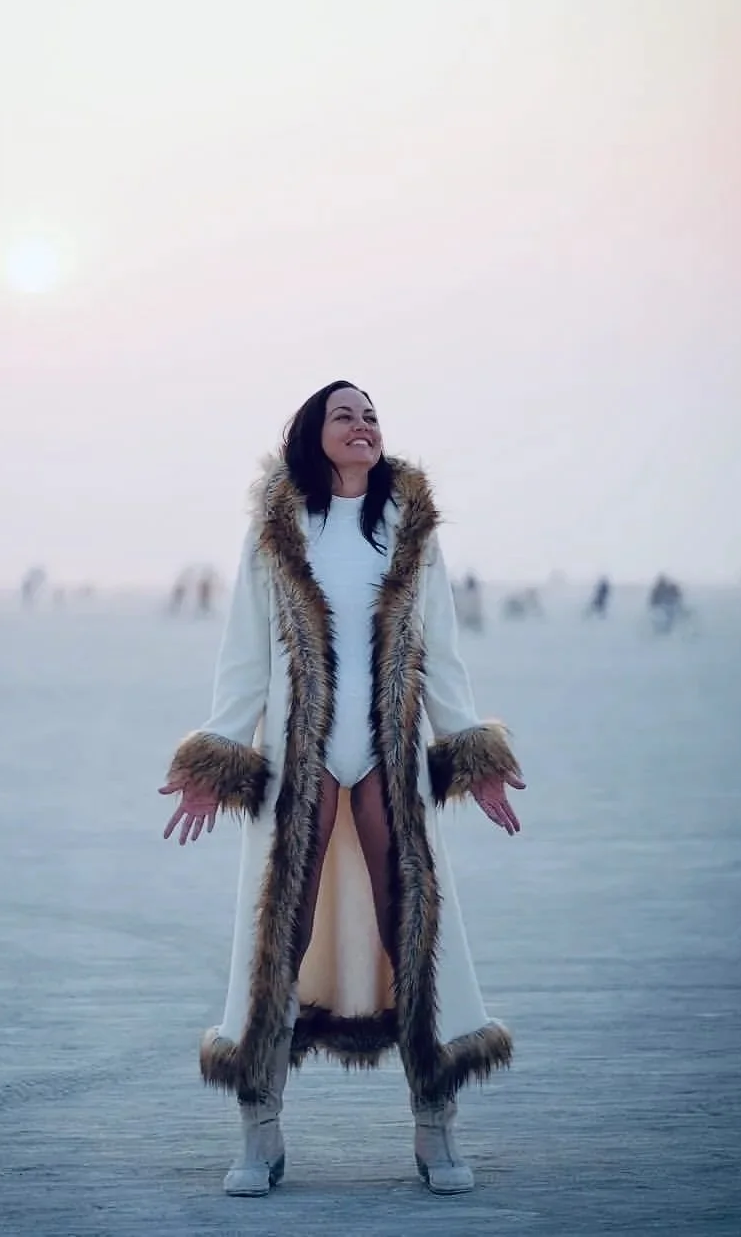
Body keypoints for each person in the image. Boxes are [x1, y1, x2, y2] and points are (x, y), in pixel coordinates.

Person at [159, 380, 526, 1198]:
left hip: (388, 759)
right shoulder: (276, 532)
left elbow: (444, 651)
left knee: (412, 926)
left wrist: (469, 751)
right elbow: (244, 656)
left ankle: (435, 1126)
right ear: (312, 435)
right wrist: (216, 757)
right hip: (301, 760)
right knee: (277, 938)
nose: (362, 425)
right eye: (344, 415)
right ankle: (260, 1128)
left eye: (371, 415)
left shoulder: (411, 531)